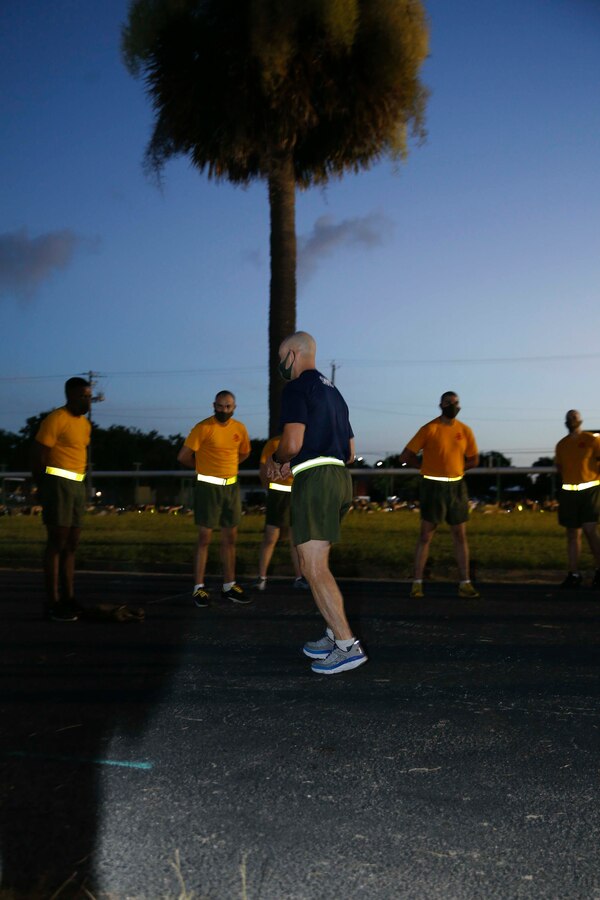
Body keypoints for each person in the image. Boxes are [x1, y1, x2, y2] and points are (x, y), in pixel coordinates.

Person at [266, 331, 367, 675]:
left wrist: (278, 461)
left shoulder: (296, 388)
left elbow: (292, 443)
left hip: (316, 481)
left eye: (281, 357)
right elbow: (351, 451)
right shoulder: (334, 393)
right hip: (340, 478)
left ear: (293, 354)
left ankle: (346, 645)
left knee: (312, 566)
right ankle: (333, 630)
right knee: (318, 562)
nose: (280, 365)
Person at [399, 391, 480, 599]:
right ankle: (417, 583)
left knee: (460, 535)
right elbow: (405, 456)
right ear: (440, 405)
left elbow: (474, 459)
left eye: (455, 403)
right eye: (448, 403)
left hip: (456, 488)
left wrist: (458, 469)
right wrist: (425, 467)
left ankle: (465, 583)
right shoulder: (429, 429)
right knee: (426, 535)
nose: (452, 406)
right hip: (433, 487)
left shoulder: (465, 431)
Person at [177, 391, 252, 606]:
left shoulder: (239, 428)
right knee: (204, 539)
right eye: (220, 406)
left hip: (231, 488)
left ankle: (229, 586)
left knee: (230, 539)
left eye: (228, 407)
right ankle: (198, 588)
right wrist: (204, 468)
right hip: (208, 488)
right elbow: (183, 456)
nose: (223, 411)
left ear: (234, 407)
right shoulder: (203, 428)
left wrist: (230, 466)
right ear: (214, 405)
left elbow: (245, 452)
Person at [31, 377, 92, 621]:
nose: (86, 400)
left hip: (77, 485)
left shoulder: (85, 424)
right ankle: (53, 601)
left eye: (88, 396)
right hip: (57, 484)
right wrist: (42, 486)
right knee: (57, 542)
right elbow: (38, 453)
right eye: (81, 396)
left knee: (72, 544)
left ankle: (69, 597)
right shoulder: (56, 419)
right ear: (69, 396)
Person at [253, 435, 309, 592]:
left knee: (296, 539)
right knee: (271, 536)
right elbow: (263, 468)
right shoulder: (274, 443)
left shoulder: (304, 442)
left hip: (297, 495)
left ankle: (300, 577)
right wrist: (269, 490)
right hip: (278, 495)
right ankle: (261, 577)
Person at [555, 409, 600, 589]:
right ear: (565, 422)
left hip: (590, 491)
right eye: (568, 417)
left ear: (581, 420)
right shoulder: (561, 445)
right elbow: (560, 468)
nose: (571, 419)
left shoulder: (592, 440)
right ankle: (574, 574)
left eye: (574, 417)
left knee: (590, 530)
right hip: (569, 493)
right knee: (572, 534)